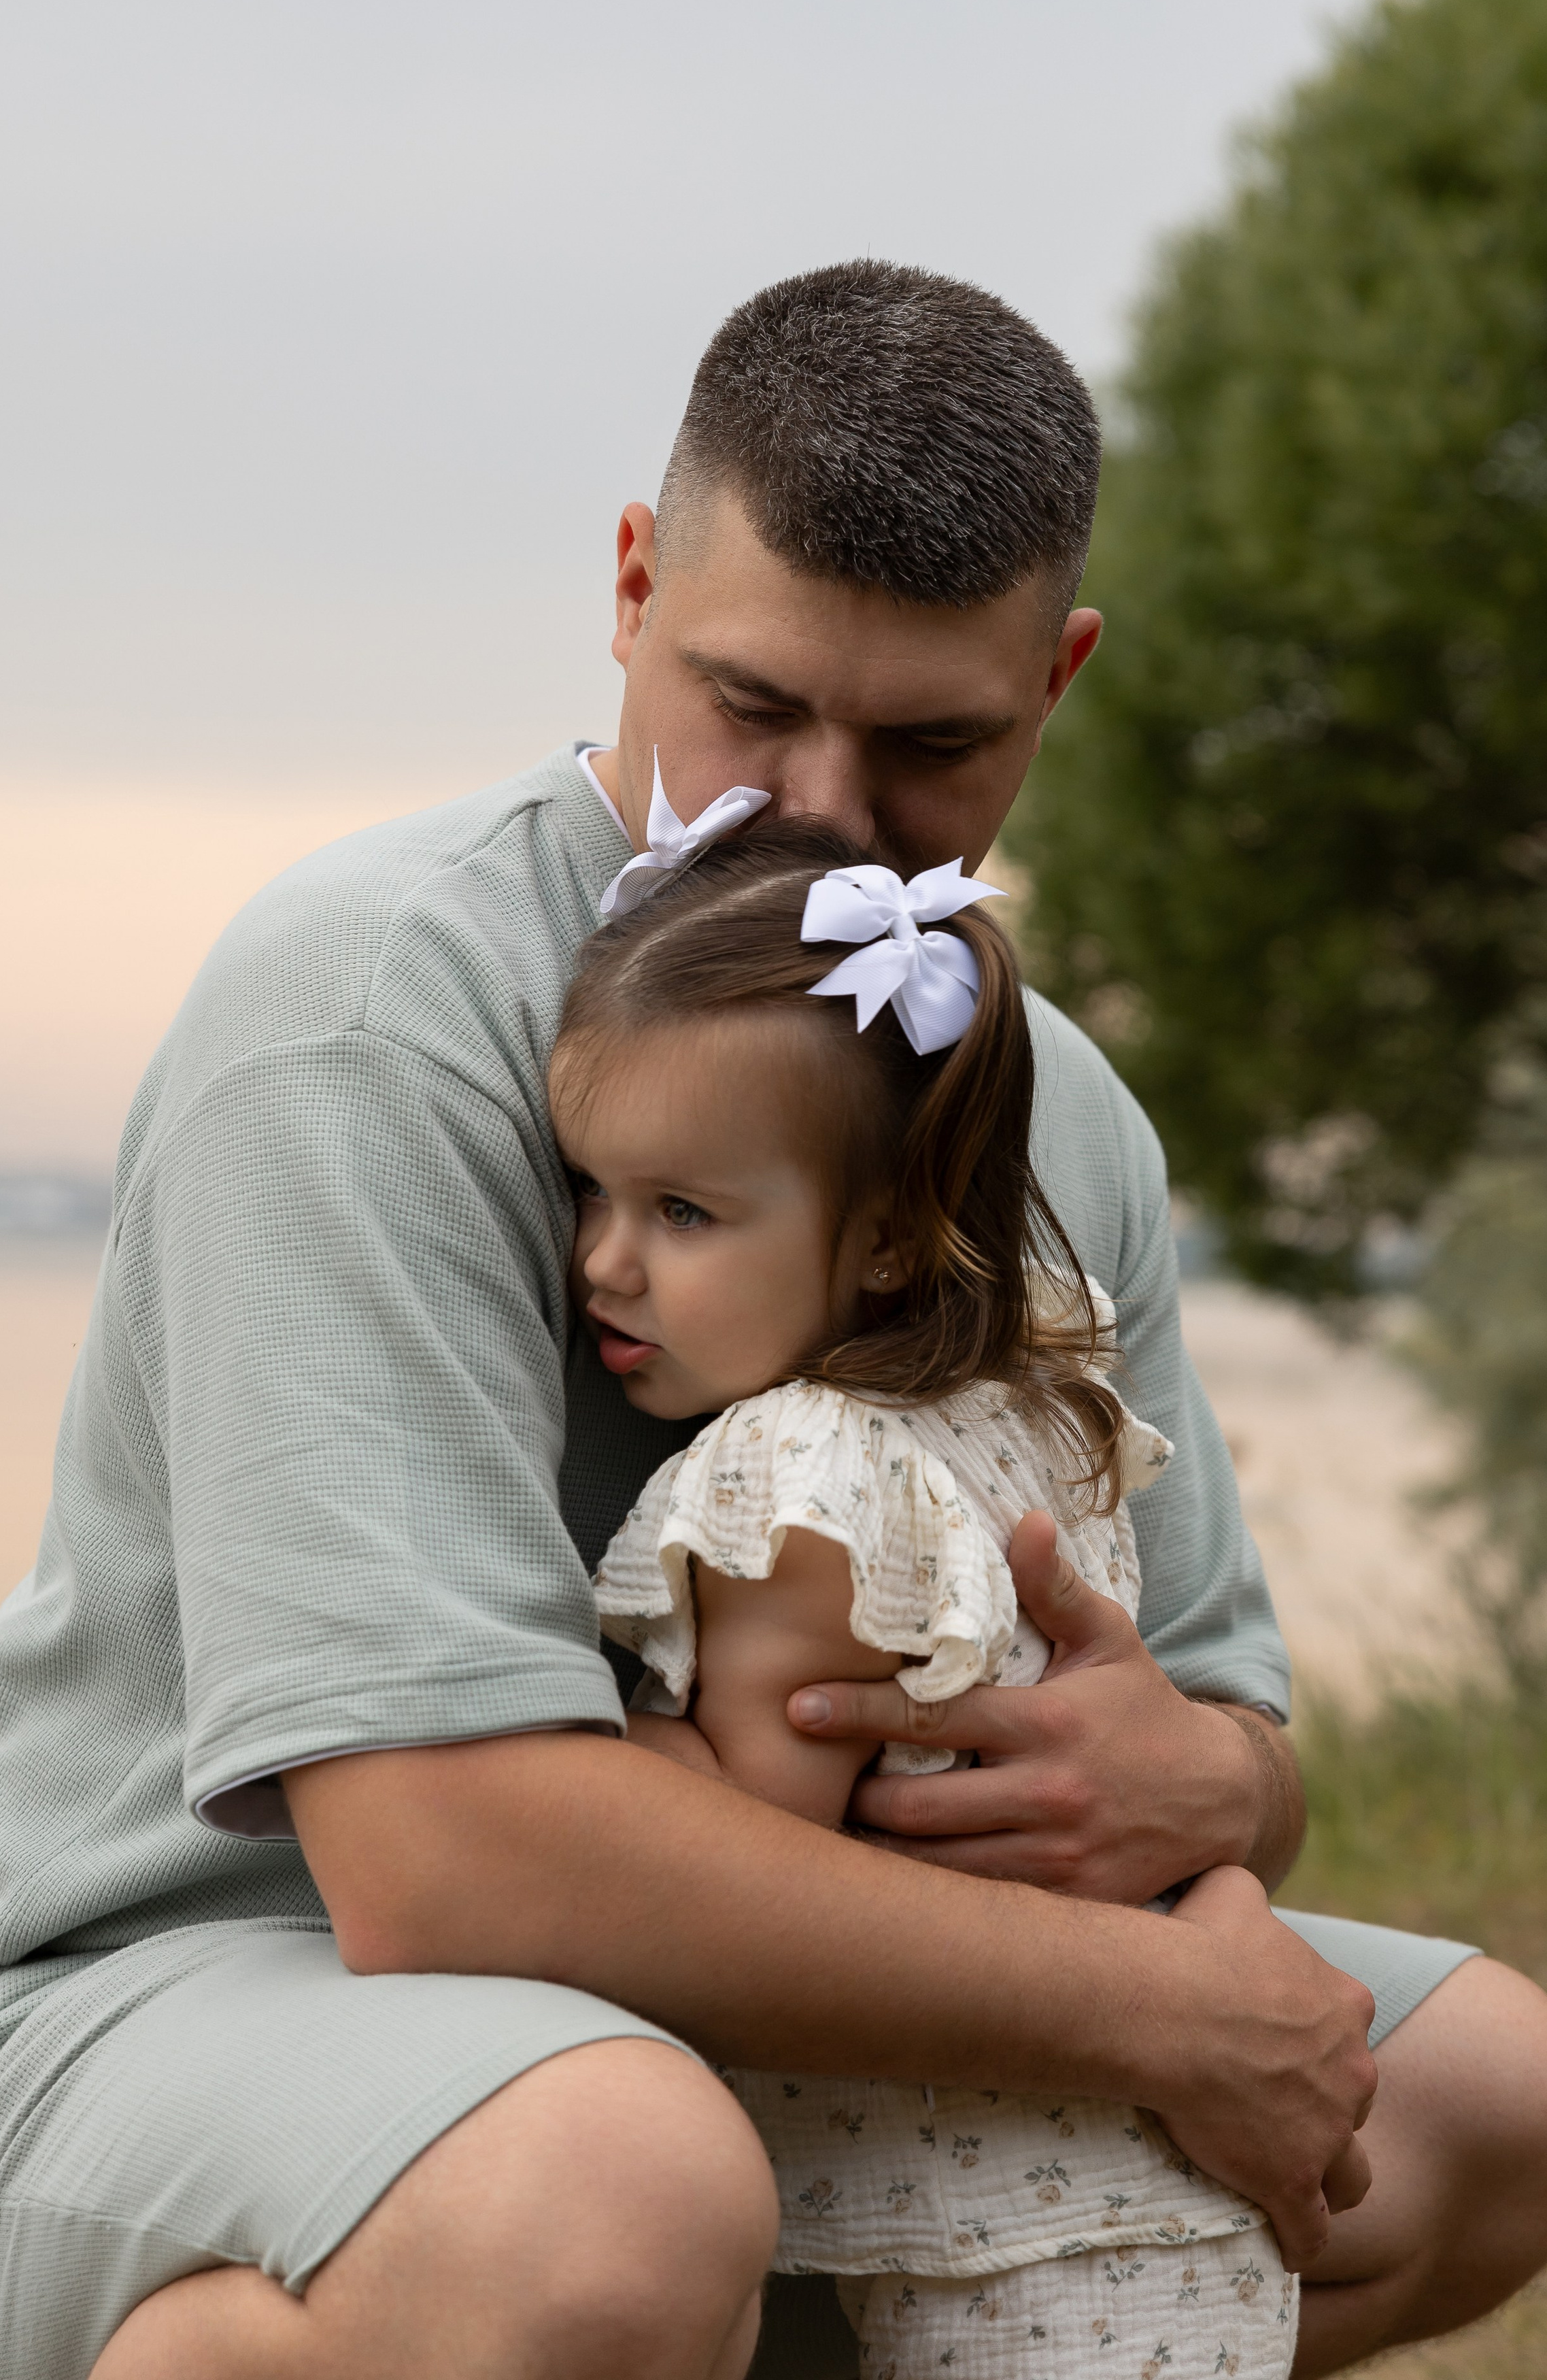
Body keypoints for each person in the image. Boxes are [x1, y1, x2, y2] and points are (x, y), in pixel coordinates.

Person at [0, 264, 1547, 2380]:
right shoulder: (364, 1015)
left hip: (730, 2010)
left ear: (1057, 681)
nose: (817, 808)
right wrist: (1159, 2008)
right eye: (754, 701)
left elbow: (1242, 1747)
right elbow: (440, 1868)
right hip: (175, 1996)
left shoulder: (1057, 1103)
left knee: (1482, 2098)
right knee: (614, 2197)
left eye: (932, 744)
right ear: (630, 585)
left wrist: (1178, 1786)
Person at [569, 820, 1299, 2376]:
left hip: (1013, 2253)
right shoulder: (1024, 1387)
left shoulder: (808, 1482)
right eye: (592, 1194)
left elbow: (745, 1861)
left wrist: (550, 1743)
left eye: (682, 1213)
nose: (603, 1265)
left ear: (889, 1235)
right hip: (1157, 2197)